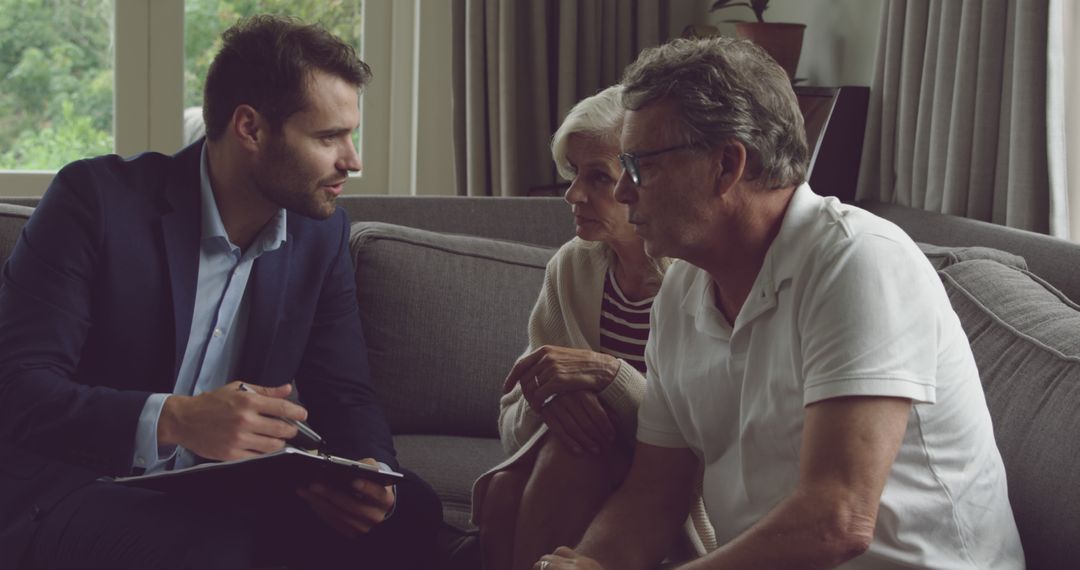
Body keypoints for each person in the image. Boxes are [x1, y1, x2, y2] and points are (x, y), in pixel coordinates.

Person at [535, 37, 1025, 570]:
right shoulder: (679, 293)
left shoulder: (858, 263)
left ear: (726, 165)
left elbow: (837, 519)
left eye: (640, 165)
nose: (625, 192)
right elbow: (653, 496)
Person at [0, 15, 441, 570]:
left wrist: (371, 473)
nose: (352, 160)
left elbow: (345, 393)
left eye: (350, 135)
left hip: (220, 490)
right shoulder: (94, 201)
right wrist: (176, 419)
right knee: (211, 547)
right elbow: (19, 389)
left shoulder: (319, 234)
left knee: (413, 513)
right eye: (329, 137)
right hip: (79, 484)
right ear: (250, 128)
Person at [472, 85, 714, 570]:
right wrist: (554, 400)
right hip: (576, 468)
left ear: (645, 180)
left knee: (574, 458)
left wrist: (610, 379)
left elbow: (701, 436)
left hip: (671, 487)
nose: (572, 194)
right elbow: (514, 420)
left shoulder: (695, 277)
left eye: (598, 177)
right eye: (574, 174)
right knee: (501, 488)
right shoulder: (573, 267)